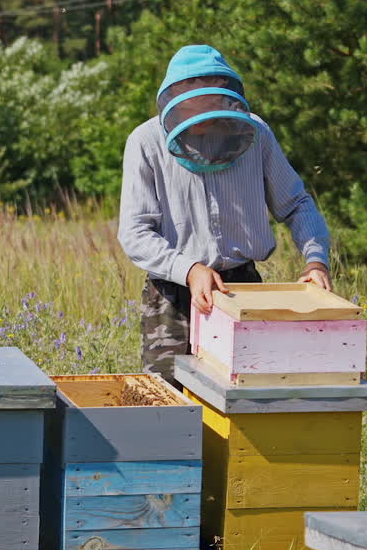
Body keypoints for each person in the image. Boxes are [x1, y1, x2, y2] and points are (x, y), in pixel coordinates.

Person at [117, 44, 332, 386]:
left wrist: (316, 260)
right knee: (169, 402)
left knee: (247, 397)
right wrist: (189, 270)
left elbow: (297, 203)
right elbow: (135, 233)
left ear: (225, 95)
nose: (200, 111)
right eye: (191, 102)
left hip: (241, 288)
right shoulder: (145, 141)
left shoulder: (257, 133)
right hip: (173, 294)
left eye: (210, 101)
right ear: (174, 98)